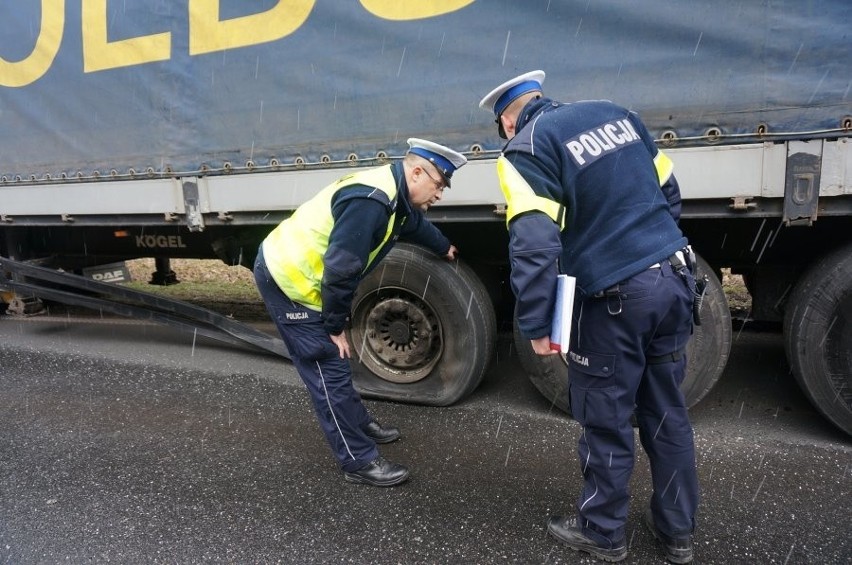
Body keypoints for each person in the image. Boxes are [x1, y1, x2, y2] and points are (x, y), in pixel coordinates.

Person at [479, 71, 699, 563]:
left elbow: (535, 245)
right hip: (674, 278)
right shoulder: (615, 113)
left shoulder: (526, 148)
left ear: (507, 121)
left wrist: (536, 324)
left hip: (616, 298)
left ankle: (603, 534)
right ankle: (677, 532)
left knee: (607, 420)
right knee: (667, 412)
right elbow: (669, 193)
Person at [253, 138, 466, 487]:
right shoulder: (372, 201)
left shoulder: (395, 192)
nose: (440, 194)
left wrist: (443, 246)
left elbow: (412, 224)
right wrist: (335, 326)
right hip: (288, 281)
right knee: (327, 365)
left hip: (306, 277)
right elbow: (341, 269)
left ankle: (357, 421)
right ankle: (357, 461)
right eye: (439, 185)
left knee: (335, 363)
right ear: (416, 172)